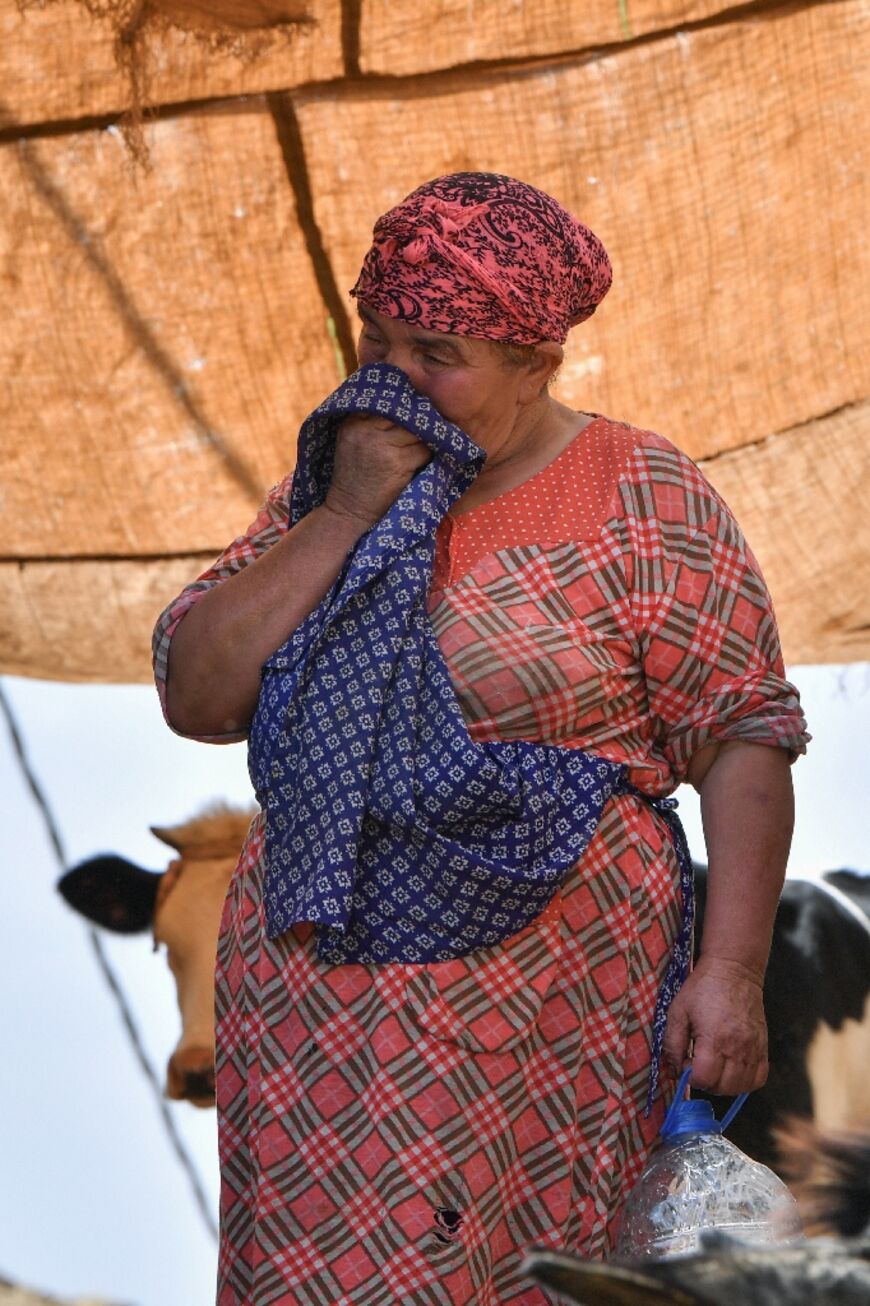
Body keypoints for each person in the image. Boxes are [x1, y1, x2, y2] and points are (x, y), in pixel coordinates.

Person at [153, 172, 809, 1304]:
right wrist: (347, 516)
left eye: (438, 350)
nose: (395, 378)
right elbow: (199, 694)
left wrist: (733, 972)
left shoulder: (642, 490)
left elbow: (744, 732)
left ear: (536, 363)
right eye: (378, 340)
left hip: (544, 1003)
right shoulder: (327, 486)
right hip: (319, 1010)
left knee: (508, 1275)